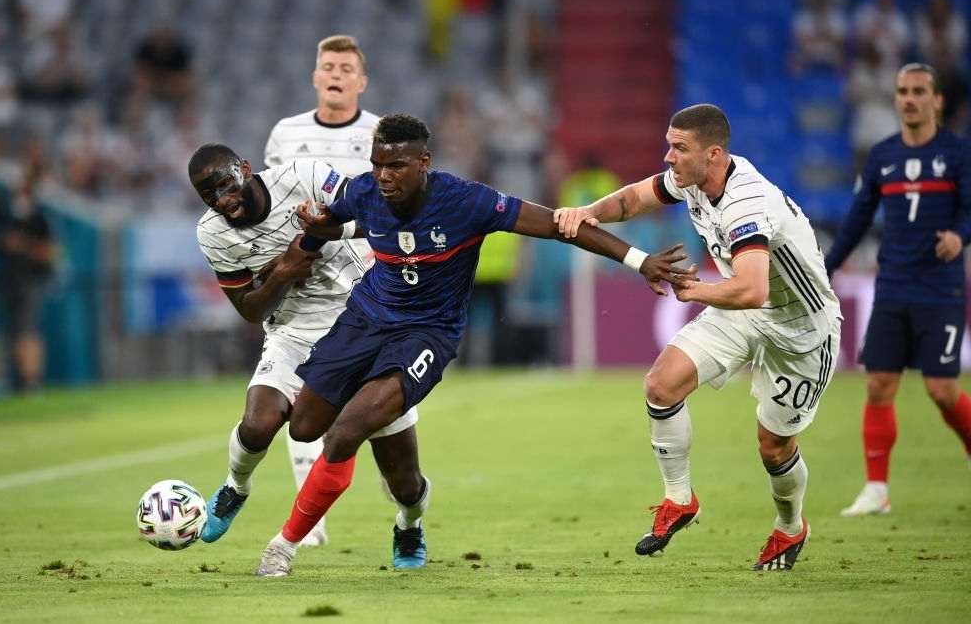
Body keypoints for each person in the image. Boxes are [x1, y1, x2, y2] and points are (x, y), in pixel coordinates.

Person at [252, 113, 692, 577]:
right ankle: (412, 506)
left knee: (344, 433)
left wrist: (638, 259)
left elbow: (555, 225)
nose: (384, 175)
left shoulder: (467, 200)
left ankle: (287, 545)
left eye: (396, 166)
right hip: (364, 319)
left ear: (424, 162)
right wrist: (313, 227)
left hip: (427, 332)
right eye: (378, 164)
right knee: (303, 428)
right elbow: (328, 223)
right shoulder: (364, 190)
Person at [555, 104, 842, 571]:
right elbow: (633, 199)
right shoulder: (695, 179)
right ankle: (679, 498)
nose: (668, 157)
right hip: (743, 312)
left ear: (713, 154)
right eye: (669, 144)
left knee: (774, 447)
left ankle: (790, 527)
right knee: (660, 385)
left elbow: (752, 288)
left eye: (679, 148)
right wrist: (588, 213)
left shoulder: (747, 203)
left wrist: (692, 291)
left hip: (800, 329)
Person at [190, 142, 422, 547]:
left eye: (226, 185)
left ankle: (409, 524)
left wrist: (329, 226)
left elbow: (376, 213)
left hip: (364, 323)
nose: (222, 201)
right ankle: (235, 487)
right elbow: (248, 308)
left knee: (403, 481)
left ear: (245, 168)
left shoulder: (303, 176)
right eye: (208, 196)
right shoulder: (211, 233)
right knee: (259, 422)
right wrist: (282, 273)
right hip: (292, 332)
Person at [825, 63, 971, 517]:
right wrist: (824, 267)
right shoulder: (882, 155)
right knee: (878, 384)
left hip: (940, 288)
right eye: (902, 91)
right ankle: (876, 489)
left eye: (918, 91)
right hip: (892, 286)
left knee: (942, 390)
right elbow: (858, 218)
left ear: (937, 100)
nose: (909, 99)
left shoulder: (958, 153)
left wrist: (959, 237)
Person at [262, 34, 382, 547]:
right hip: (305, 289)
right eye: (327, 66)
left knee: (379, 409)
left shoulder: (380, 133)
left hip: (369, 289)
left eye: (344, 67)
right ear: (315, 76)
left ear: (361, 80)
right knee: (298, 396)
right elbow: (267, 206)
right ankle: (311, 526)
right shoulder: (285, 134)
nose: (334, 74)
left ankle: (402, 481)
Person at [0, 160, 56, 392]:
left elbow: (49, 251)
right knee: (17, 331)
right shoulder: (7, 215)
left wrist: (23, 245)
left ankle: (31, 379)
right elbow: (0, 244)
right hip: (10, 280)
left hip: (31, 280)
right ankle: (23, 380)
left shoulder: (39, 217)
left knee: (29, 330)